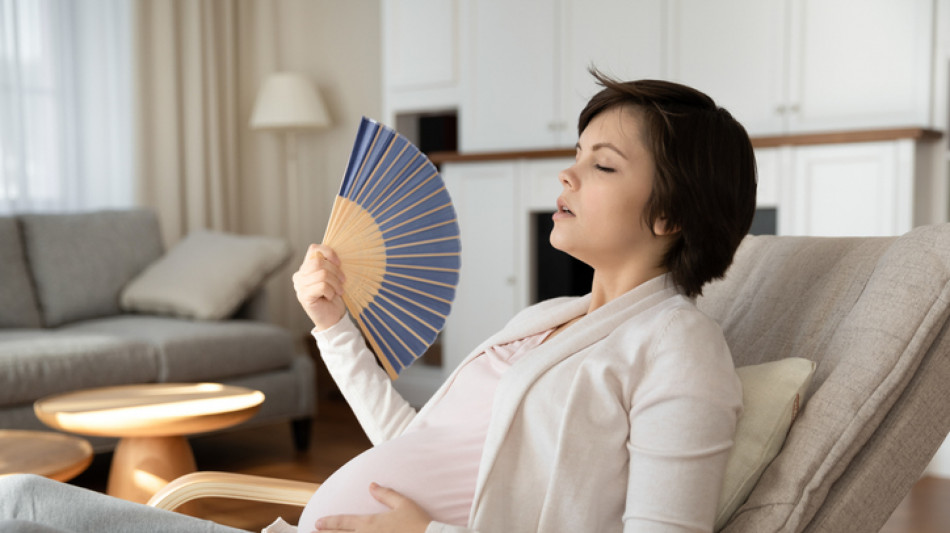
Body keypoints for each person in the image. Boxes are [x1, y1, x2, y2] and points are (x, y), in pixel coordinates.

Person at [0, 70, 756, 533]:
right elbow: (413, 447)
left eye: (602, 164)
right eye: (574, 156)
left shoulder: (677, 348)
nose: (567, 177)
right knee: (23, 501)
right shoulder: (549, 320)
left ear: (672, 214)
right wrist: (332, 324)